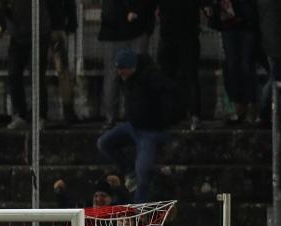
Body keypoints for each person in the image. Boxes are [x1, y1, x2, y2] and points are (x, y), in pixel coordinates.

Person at [96, 49, 178, 203]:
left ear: (131, 67)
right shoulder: (127, 79)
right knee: (104, 143)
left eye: (122, 69)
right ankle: (129, 171)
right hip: (133, 127)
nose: (120, 73)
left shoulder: (153, 77)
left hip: (150, 131)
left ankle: (138, 211)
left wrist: (165, 120)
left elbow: (172, 95)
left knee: (143, 172)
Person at [0, 0, 51, 129]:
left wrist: (58, 27)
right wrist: (0, 24)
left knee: (36, 74)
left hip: (39, 32)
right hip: (18, 34)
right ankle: (20, 114)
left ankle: (40, 115)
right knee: (14, 73)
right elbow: (1, 5)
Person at [98, 0, 154, 127]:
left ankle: (111, 117)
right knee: (136, 76)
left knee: (112, 77)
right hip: (135, 30)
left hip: (114, 31)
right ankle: (135, 115)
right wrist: (147, 25)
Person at [154, 1, 208, 131]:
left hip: (170, 34)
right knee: (190, 77)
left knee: (170, 76)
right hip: (187, 35)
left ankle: (170, 114)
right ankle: (193, 115)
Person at [207, 0, 260, 124]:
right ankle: (241, 106)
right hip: (232, 21)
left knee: (244, 64)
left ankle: (248, 105)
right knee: (234, 65)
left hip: (244, 20)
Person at [47, 0, 79, 125]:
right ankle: (68, 111)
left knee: (37, 70)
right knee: (63, 72)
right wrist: (72, 24)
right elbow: (70, 4)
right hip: (58, 27)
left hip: (40, 29)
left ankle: (39, 111)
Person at [256, 0, 281, 124]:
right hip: (276, 45)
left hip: (269, 43)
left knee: (274, 78)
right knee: (274, 79)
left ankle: (266, 113)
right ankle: (264, 112)